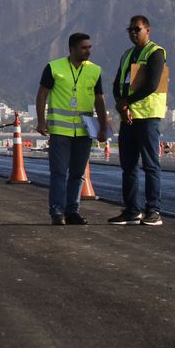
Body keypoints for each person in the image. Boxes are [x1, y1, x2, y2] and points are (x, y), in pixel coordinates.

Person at [35, 32, 109, 225]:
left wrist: (102, 126)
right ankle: (57, 212)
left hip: (84, 132)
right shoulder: (54, 68)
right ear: (72, 49)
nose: (88, 51)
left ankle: (72, 211)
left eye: (89, 47)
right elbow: (42, 94)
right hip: (60, 131)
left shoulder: (95, 71)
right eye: (84, 47)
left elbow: (99, 99)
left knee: (77, 174)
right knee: (59, 173)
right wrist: (41, 121)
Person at [109, 15, 168, 226]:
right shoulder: (127, 55)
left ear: (148, 30)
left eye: (137, 29)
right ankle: (132, 210)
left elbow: (152, 84)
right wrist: (120, 104)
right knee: (128, 166)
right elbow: (117, 84)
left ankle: (153, 210)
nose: (133, 33)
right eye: (130, 30)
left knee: (151, 165)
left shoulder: (156, 53)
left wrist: (126, 102)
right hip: (128, 118)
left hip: (148, 117)